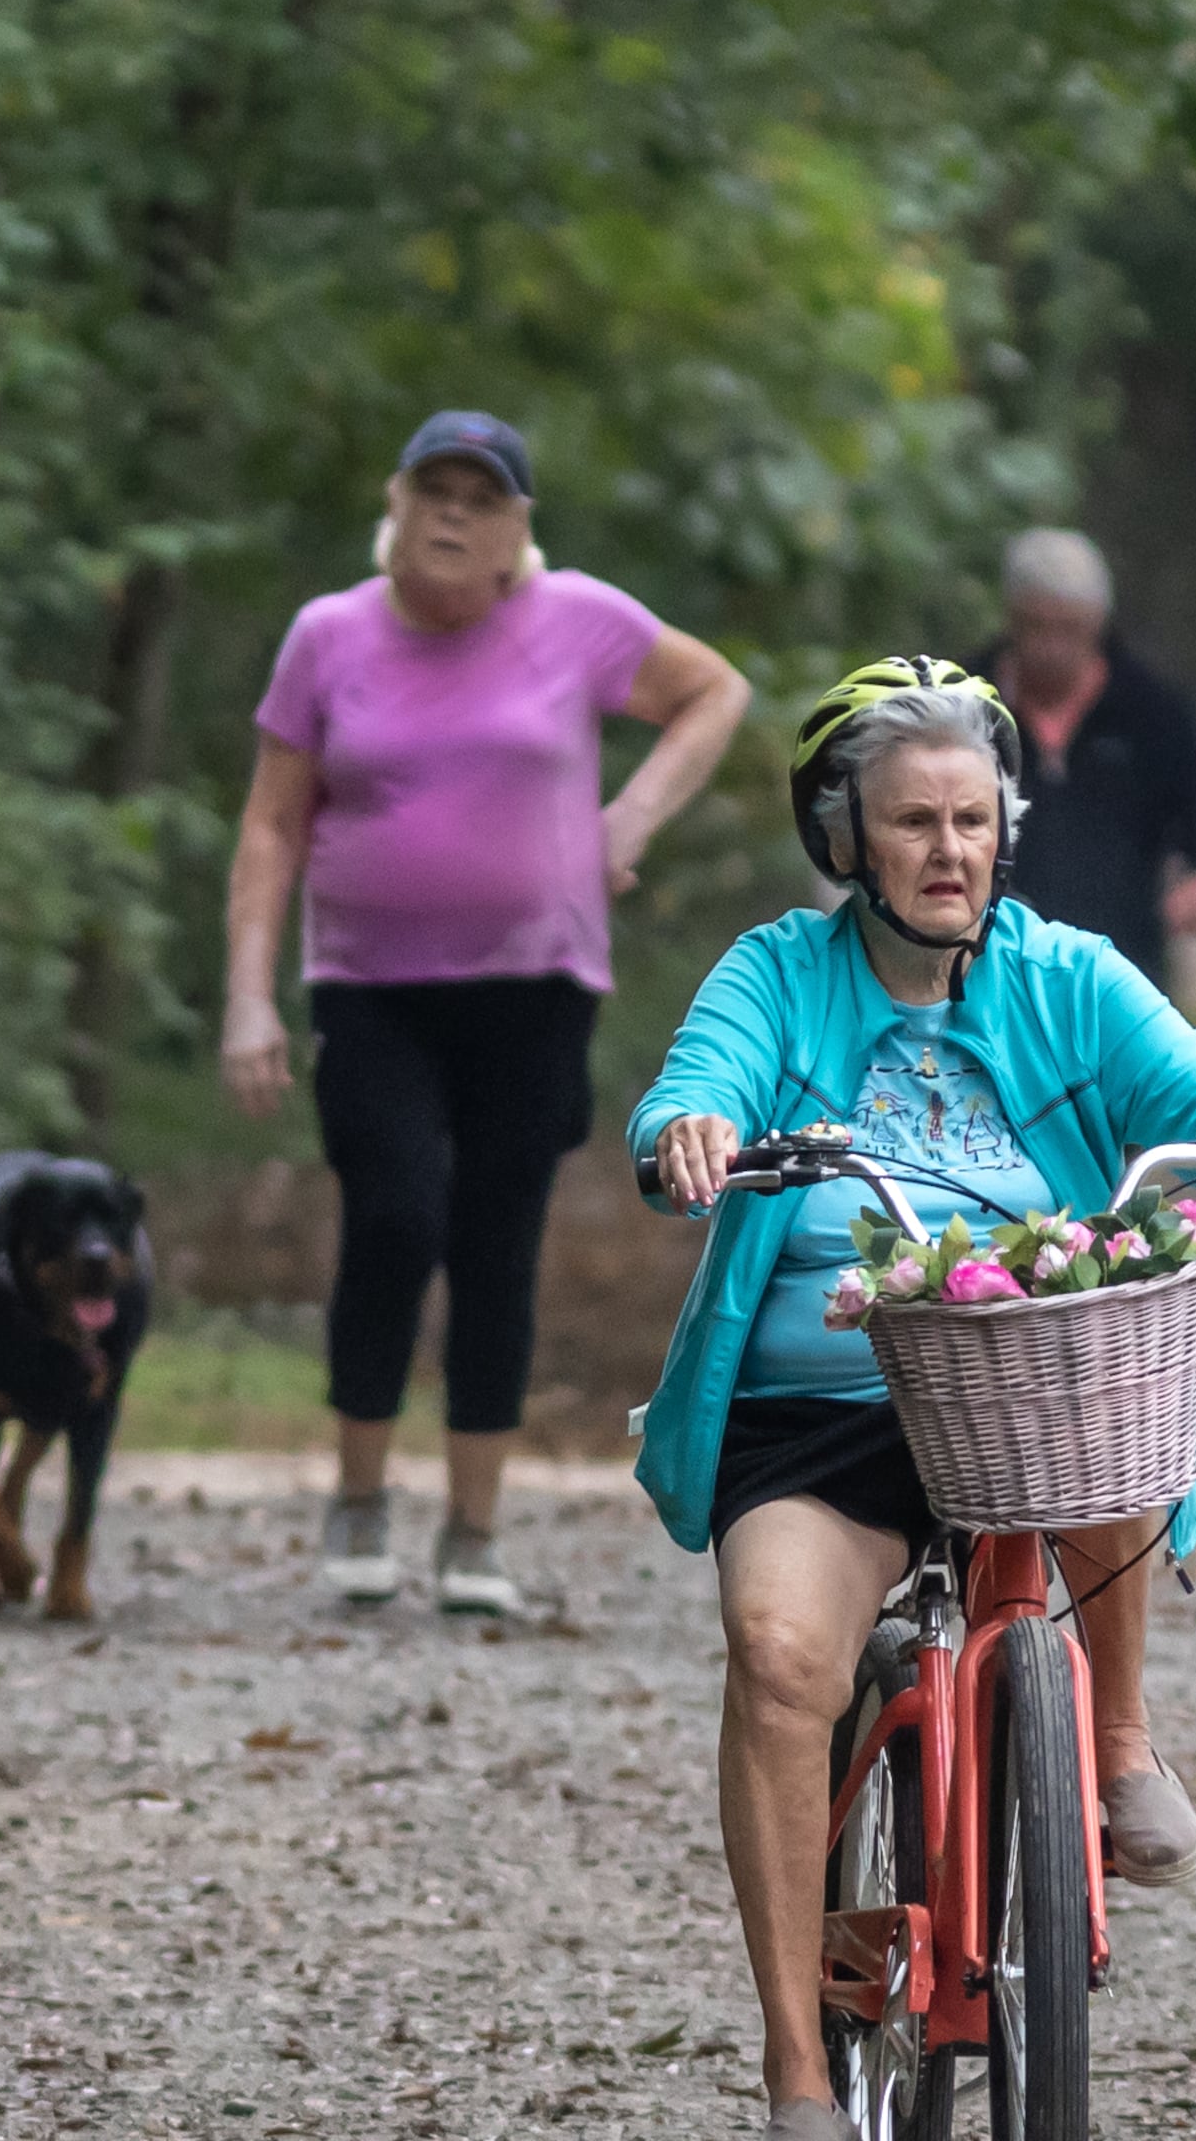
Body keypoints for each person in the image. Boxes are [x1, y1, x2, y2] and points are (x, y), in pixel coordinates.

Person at [631, 656, 1196, 2141]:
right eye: (910, 822)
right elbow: (694, 1081)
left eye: (970, 819)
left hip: (1024, 1385)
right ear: (848, 839)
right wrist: (693, 1126)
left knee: (1121, 1377)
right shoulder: (778, 974)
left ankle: (1120, 1742)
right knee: (777, 1660)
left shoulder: (1068, 974)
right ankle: (794, 2073)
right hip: (817, 1417)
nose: (946, 850)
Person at [222, 410, 748, 1616]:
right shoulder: (328, 637)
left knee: (499, 1240)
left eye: (482, 497)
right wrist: (249, 998)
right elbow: (268, 823)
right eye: (435, 491)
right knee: (397, 1216)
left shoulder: (577, 623)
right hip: (369, 988)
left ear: (518, 527)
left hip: (535, 982)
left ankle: (472, 1529)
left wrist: (634, 818)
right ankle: (359, 1497)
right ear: (396, 504)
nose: (455, 515)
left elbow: (715, 693)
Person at [964, 526, 1196, 987]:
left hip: (1123, 973)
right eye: (1038, 626)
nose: (1053, 647)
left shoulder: (1153, 712)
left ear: (1099, 624)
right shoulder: (962, 707)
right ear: (1011, 621)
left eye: (1070, 628)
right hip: (987, 971)